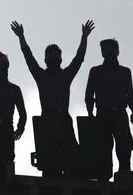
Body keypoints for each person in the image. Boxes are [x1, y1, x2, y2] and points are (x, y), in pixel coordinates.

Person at [11, 20, 94, 174]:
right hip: (48, 121)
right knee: (49, 162)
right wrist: (21, 37)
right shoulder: (42, 76)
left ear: (60, 58)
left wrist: (84, 37)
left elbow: (79, 58)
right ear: (46, 59)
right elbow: (29, 58)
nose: (54, 56)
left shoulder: (65, 75)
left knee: (72, 160)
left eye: (56, 54)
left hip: (63, 120)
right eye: (51, 54)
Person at [85, 38, 133, 174]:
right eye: (105, 49)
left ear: (117, 51)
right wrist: (90, 113)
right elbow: (89, 95)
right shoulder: (95, 72)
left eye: (111, 48)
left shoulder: (125, 72)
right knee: (104, 148)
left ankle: (124, 173)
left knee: (124, 146)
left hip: (120, 114)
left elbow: (130, 94)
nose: (108, 51)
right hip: (103, 114)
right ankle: (105, 175)